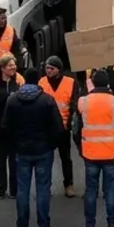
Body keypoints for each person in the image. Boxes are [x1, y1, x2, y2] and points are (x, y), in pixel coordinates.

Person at [6, 67, 64, 227]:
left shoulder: (13, 100)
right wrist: (51, 144)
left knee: (22, 189)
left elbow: (5, 125)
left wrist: (14, 144)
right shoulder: (47, 100)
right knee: (43, 188)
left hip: (22, 150)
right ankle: (44, 226)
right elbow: (58, 126)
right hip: (43, 149)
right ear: (39, 80)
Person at [75, 68, 114, 227]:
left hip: (90, 152)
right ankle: (112, 225)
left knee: (91, 190)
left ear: (93, 83)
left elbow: (77, 126)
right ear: (107, 84)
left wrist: (80, 147)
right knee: (110, 189)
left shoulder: (83, 102)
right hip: (111, 152)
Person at [39, 57, 79, 198]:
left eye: (52, 68)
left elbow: (74, 103)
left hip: (63, 128)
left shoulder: (70, 82)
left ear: (59, 69)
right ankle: (45, 186)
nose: (49, 71)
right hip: (47, 128)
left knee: (65, 158)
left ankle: (68, 184)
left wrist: (70, 124)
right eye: (47, 68)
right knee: (45, 159)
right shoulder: (42, 82)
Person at [0, 53, 23, 199]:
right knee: (0, 160)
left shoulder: (20, 80)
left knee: (15, 160)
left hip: (15, 128)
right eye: (10, 65)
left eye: (14, 65)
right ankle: (1, 189)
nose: (13, 67)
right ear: (2, 68)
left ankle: (14, 190)